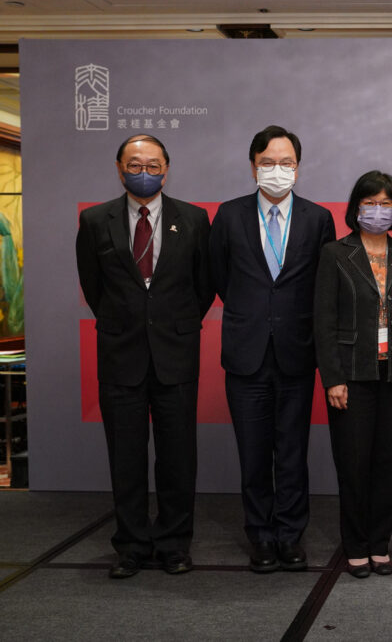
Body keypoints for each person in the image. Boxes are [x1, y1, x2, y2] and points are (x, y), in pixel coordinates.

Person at [76, 134, 213, 578]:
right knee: (126, 456)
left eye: (154, 165)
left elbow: (204, 285)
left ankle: (174, 543)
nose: (145, 172)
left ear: (166, 170)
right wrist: (126, 320)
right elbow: (93, 287)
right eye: (135, 164)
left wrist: (173, 322)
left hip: (176, 353)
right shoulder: (95, 220)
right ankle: (131, 545)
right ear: (119, 168)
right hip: (121, 354)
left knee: (177, 455)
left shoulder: (193, 219)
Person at [209, 125, 336, 573]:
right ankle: (260, 536)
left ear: (298, 168)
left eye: (286, 163)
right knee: (254, 453)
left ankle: (290, 534)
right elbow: (220, 279)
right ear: (252, 166)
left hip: (297, 354)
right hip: (245, 355)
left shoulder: (319, 218)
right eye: (268, 163)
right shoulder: (227, 216)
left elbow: (322, 288)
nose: (276, 171)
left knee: (292, 451)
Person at [314, 171, 392, 579]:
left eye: (386, 204)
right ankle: (355, 544)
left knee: (388, 462)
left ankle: (380, 543)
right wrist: (332, 377)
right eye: (370, 203)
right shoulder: (335, 254)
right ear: (356, 207)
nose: (378, 211)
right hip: (351, 376)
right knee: (354, 462)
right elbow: (323, 320)